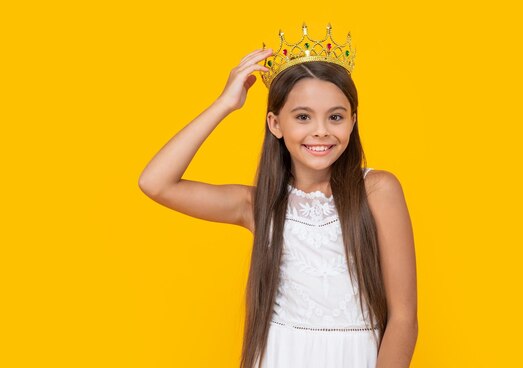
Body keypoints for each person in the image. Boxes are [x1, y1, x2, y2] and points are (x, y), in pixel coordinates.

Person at [138, 24, 418, 368]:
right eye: (303, 117)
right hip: (279, 355)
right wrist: (225, 104)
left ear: (352, 121)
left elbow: (404, 318)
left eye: (336, 117)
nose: (321, 130)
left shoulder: (377, 190)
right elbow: (155, 182)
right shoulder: (258, 206)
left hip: (356, 355)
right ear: (275, 124)